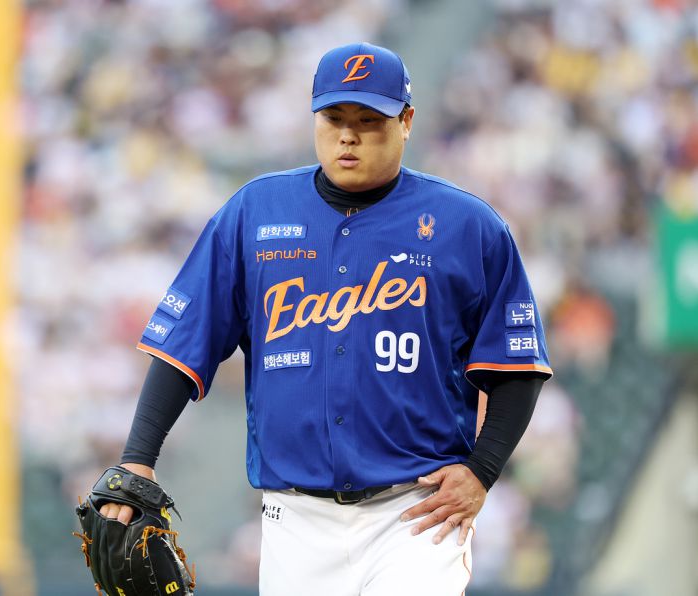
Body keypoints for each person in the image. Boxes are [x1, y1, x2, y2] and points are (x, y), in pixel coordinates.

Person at [98, 42, 552, 595]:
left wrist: (482, 470)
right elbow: (182, 346)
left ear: (407, 121)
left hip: (417, 512)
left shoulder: (468, 225)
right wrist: (137, 460)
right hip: (293, 520)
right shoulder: (255, 213)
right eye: (334, 118)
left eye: (369, 120)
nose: (348, 136)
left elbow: (517, 365)